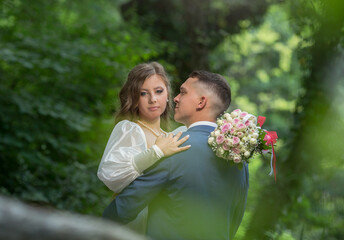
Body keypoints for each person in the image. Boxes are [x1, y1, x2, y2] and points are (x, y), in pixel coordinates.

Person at [103, 70, 249, 240]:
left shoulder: (175, 147)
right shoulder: (238, 157)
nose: (176, 98)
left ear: (201, 102)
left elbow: (121, 210)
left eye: (183, 92)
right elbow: (234, 219)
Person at [97, 62, 190, 232]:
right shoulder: (130, 129)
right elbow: (111, 174)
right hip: (134, 218)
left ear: (168, 94)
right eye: (143, 93)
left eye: (158, 91)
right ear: (134, 98)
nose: (153, 99)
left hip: (166, 220)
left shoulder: (171, 136)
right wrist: (156, 152)